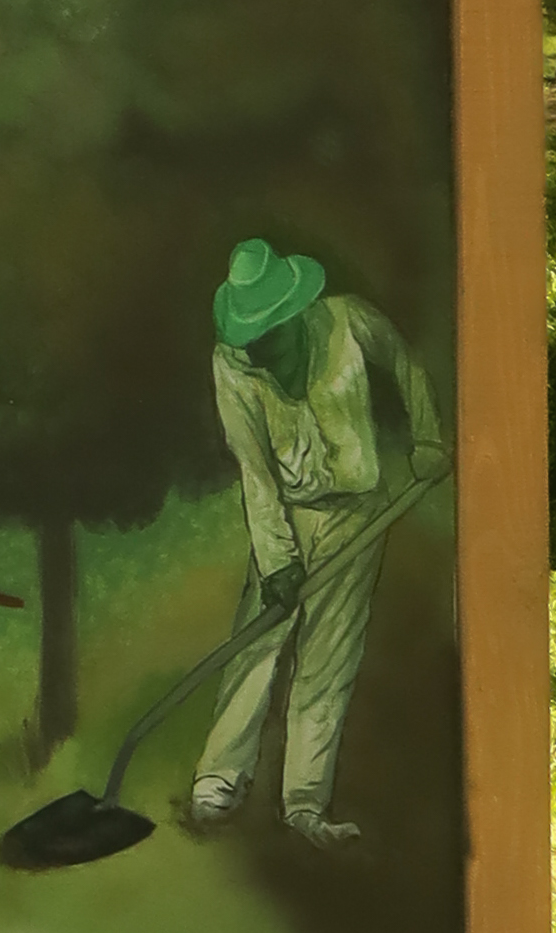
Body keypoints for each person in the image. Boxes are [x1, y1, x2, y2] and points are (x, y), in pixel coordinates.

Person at [188, 235, 448, 850]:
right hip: (286, 517)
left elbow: (405, 365)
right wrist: (278, 561)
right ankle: (217, 780)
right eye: (251, 340)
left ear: (294, 314)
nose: (261, 352)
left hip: (359, 515)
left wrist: (429, 439)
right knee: (256, 646)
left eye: (269, 337)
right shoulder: (233, 366)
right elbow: (255, 471)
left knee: (329, 659)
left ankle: (304, 803)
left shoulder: (349, 321)